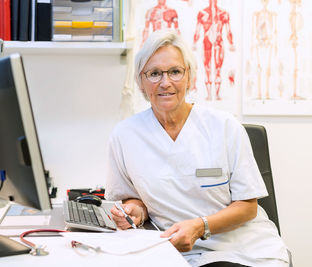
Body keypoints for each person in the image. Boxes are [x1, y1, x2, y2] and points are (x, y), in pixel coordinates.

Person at [105, 30, 289, 267]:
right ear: (141, 82)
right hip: (171, 251)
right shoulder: (125, 135)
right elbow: (132, 199)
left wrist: (200, 226)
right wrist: (134, 211)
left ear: (189, 77)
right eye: (154, 74)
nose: (165, 82)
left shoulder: (224, 127)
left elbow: (247, 207)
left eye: (175, 71)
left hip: (242, 249)